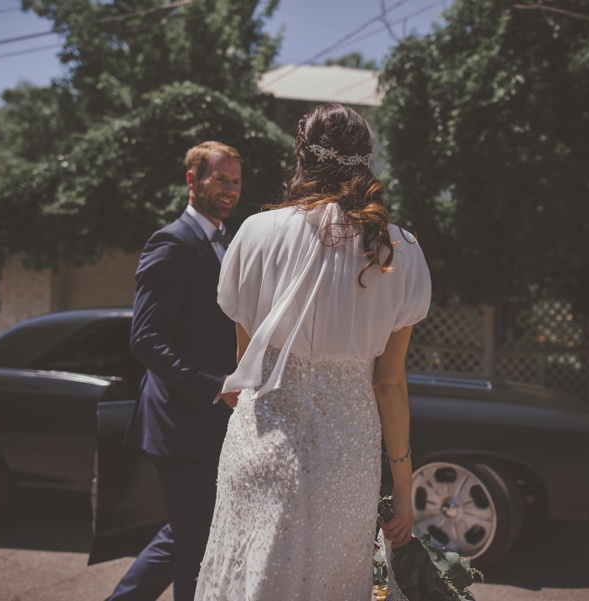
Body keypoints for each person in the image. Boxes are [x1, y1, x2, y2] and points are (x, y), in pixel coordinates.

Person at [195, 104, 432, 600]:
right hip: (346, 455)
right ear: (366, 161)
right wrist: (403, 489)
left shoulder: (256, 234)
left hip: (263, 445)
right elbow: (388, 384)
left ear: (301, 156)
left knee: (249, 579)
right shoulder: (401, 251)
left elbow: (248, 367)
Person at [106, 141, 243, 601]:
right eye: (220, 178)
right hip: (181, 424)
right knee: (196, 549)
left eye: (236, 181)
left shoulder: (230, 240)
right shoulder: (172, 242)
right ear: (192, 180)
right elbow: (145, 339)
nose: (229, 189)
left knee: (188, 530)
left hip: (213, 422)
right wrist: (215, 385)